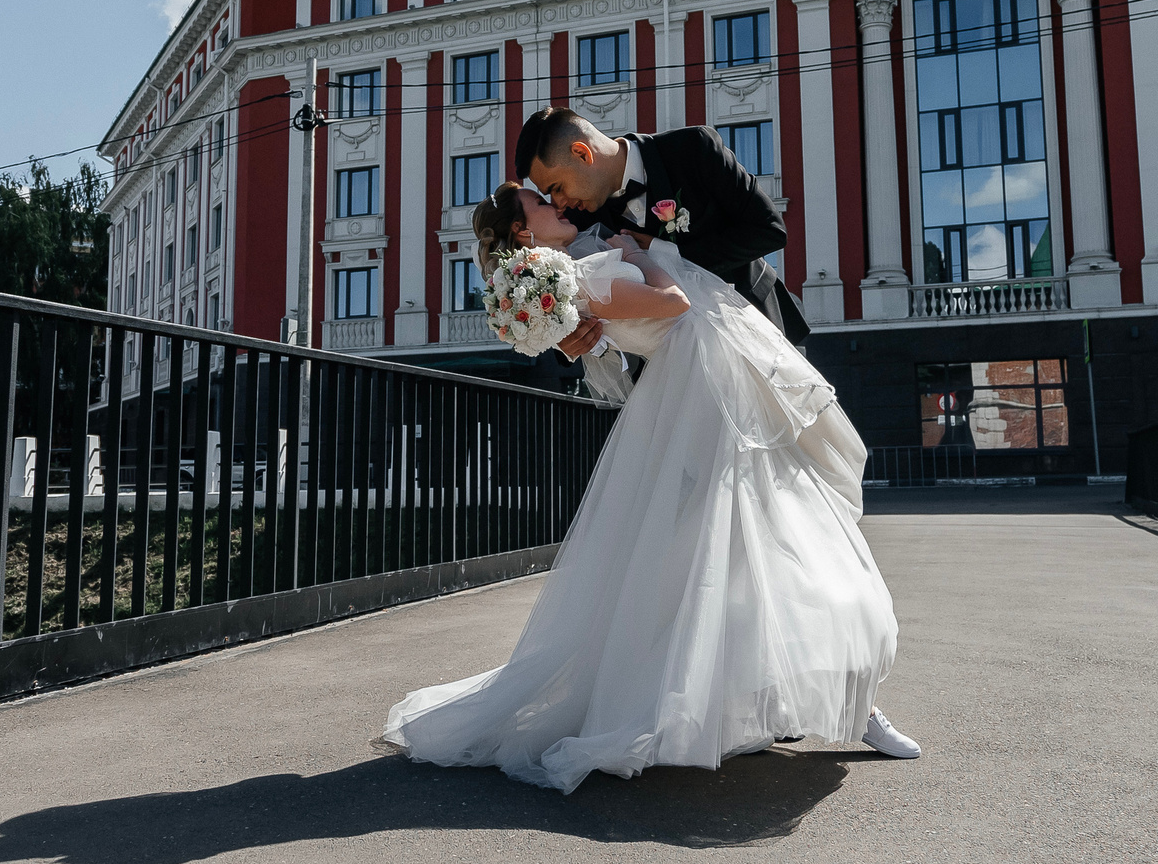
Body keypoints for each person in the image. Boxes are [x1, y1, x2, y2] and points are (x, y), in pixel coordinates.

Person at [377, 182, 919, 794]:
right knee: (777, 550)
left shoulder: (583, 260)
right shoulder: (583, 276)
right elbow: (675, 305)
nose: (552, 201)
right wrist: (637, 257)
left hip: (726, 397)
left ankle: (823, 704)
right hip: (709, 412)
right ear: (525, 234)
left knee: (758, 558)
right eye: (537, 204)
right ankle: (851, 709)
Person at [514, 108, 807, 358]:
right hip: (672, 365)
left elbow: (769, 230)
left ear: (582, 153)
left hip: (756, 324)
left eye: (557, 188)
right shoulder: (577, 218)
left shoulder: (695, 148)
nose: (559, 204)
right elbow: (582, 295)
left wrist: (665, 253)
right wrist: (569, 339)